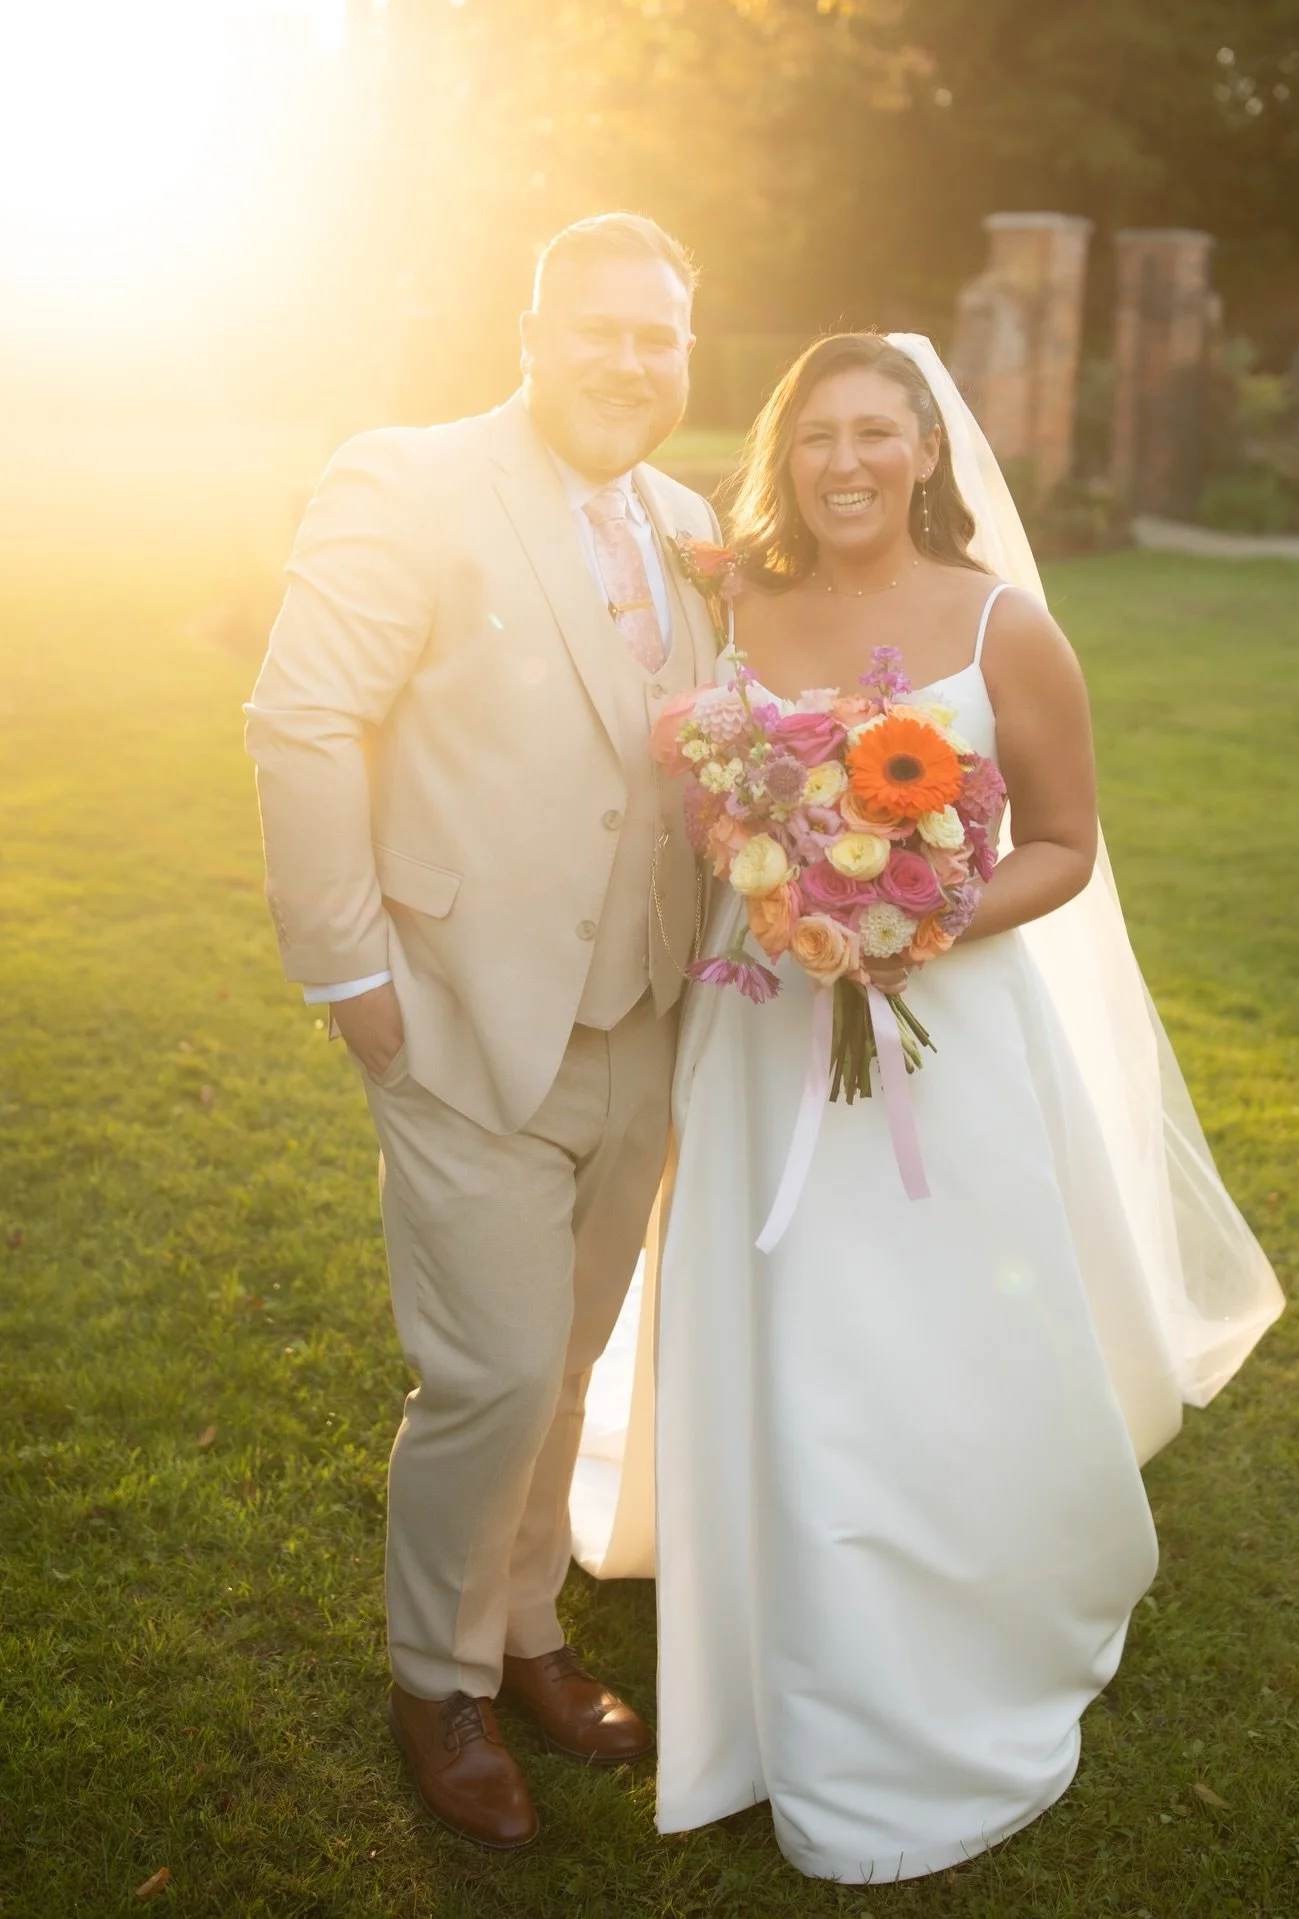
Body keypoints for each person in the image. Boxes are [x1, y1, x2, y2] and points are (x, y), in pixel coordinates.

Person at [573, 331, 1285, 1882]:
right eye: (816, 432)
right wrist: (796, 884)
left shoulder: (1004, 626)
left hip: (941, 1041)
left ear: (925, 453)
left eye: (874, 435)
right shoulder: (729, 598)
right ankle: (776, 1590)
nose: (844, 461)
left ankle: (941, 1617)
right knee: (784, 1308)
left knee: (929, 1325)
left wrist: (912, 919)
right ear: (785, 450)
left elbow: (1067, 842)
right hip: (762, 1034)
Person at [244, 212, 721, 1851]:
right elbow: (302, 717)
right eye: (599, 327)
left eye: (658, 337)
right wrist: (346, 970)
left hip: (644, 1019)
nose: (628, 359)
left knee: (570, 1360)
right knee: (494, 1369)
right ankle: (430, 1675)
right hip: (454, 1017)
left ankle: (526, 1634)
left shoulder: (685, 519)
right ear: (532, 332)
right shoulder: (410, 478)